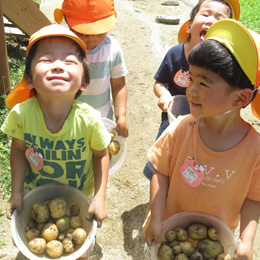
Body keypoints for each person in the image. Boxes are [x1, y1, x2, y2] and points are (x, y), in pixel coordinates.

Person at [143, 19, 260, 259]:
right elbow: (160, 172)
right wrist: (155, 218)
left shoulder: (255, 150)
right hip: (170, 234)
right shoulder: (182, 129)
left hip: (213, 243)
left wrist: (246, 241)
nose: (191, 90)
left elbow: (253, 198)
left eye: (204, 83)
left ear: (240, 98)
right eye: (191, 79)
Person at [1, 24, 111, 259]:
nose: (58, 65)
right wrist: (16, 192)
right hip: (36, 193)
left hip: (77, 197)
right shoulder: (22, 114)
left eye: (70, 61)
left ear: (84, 82)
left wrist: (99, 199)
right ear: (29, 79)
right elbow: (18, 150)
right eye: (46, 60)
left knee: (79, 247)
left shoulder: (90, 120)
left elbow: (102, 155)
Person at [143, 0, 240, 181]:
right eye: (205, 14)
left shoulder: (224, 67)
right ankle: (159, 194)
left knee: (194, 166)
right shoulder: (175, 54)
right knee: (163, 161)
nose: (211, 21)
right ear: (188, 27)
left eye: (220, 20)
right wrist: (164, 94)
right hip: (172, 121)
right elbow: (160, 83)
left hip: (206, 126)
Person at [54, 0, 129, 138]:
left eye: (99, 33)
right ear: (67, 21)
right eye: (83, 34)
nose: (91, 40)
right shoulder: (60, 49)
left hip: (102, 120)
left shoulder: (112, 48)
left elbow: (118, 84)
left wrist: (121, 115)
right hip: (65, 121)